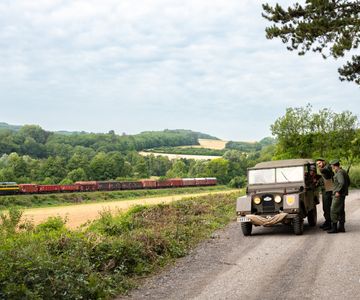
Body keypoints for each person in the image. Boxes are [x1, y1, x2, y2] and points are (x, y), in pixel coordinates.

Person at [327, 159, 349, 234]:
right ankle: (341, 227)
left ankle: (334, 228)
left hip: (338, 195)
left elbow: (342, 183)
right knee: (341, 210)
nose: (331, 166)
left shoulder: (339, 173)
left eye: (331, 165)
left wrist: (338, 191)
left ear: (334, 165)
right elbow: (348, 182)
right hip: (342, 194)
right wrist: (344, 191)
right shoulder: (343, 171)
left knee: (333, 210)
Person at [316, 158, 334, 230]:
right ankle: (327, 221)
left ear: (324, 162)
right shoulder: (324, 168)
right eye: (317, 164)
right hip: (325, 190)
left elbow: (327, 172)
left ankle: (330, 223)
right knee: (325, 208)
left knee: (327, 207)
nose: (318, 165)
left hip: (328, 191)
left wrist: (321, 170)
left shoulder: (327, 167)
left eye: (319, 163)